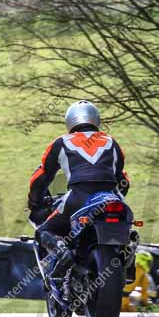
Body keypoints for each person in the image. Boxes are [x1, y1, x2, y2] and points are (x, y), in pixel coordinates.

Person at [28, 101, 130, 277]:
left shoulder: (61, 142)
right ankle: (127, 254)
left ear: (70, 121)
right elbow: (123, 179)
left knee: (43, 231)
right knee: (129, 229)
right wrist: (116, 196)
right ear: (96, 119)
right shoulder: (112, 142)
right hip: (111, 198)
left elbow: (41, 177)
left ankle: (61, 252)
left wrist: (35, 202)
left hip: (78, 197)